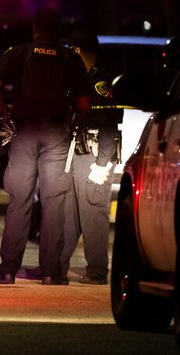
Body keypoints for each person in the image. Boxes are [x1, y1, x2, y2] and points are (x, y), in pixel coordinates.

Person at [0, 7, 90, 285]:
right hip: (57, 134)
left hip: (25, 132)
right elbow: (83, 103)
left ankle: (7, 270)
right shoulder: (70, 58)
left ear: (34, 30)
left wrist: (4, 114)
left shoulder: (19, 53)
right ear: (59, 33)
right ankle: (52, 272)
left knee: (19, 202)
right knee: (53, 203)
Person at [59, 29, 122, 285]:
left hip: (95, 155)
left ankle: (97, 272)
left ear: (76, 51)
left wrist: (102, 164)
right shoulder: (79, 78)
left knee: (93, 212)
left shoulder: (99, 81)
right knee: (69, 214)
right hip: (78, 153)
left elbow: (108, 125)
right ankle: (55, 267)